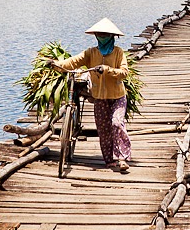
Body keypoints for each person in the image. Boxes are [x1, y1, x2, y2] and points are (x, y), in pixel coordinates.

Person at [50, 18, 132, 172]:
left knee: (116, 123)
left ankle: (122, 158)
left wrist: (107, 69)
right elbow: (73, 62)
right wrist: (57, 65)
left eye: (105, 34)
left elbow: (124, 73)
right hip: (99, 98)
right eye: (99, 34)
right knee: (103, 129)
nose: (102, 36)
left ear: (112, 36)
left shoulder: (118, 53)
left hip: (118, 97)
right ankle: (109, 160)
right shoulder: (91, 53)